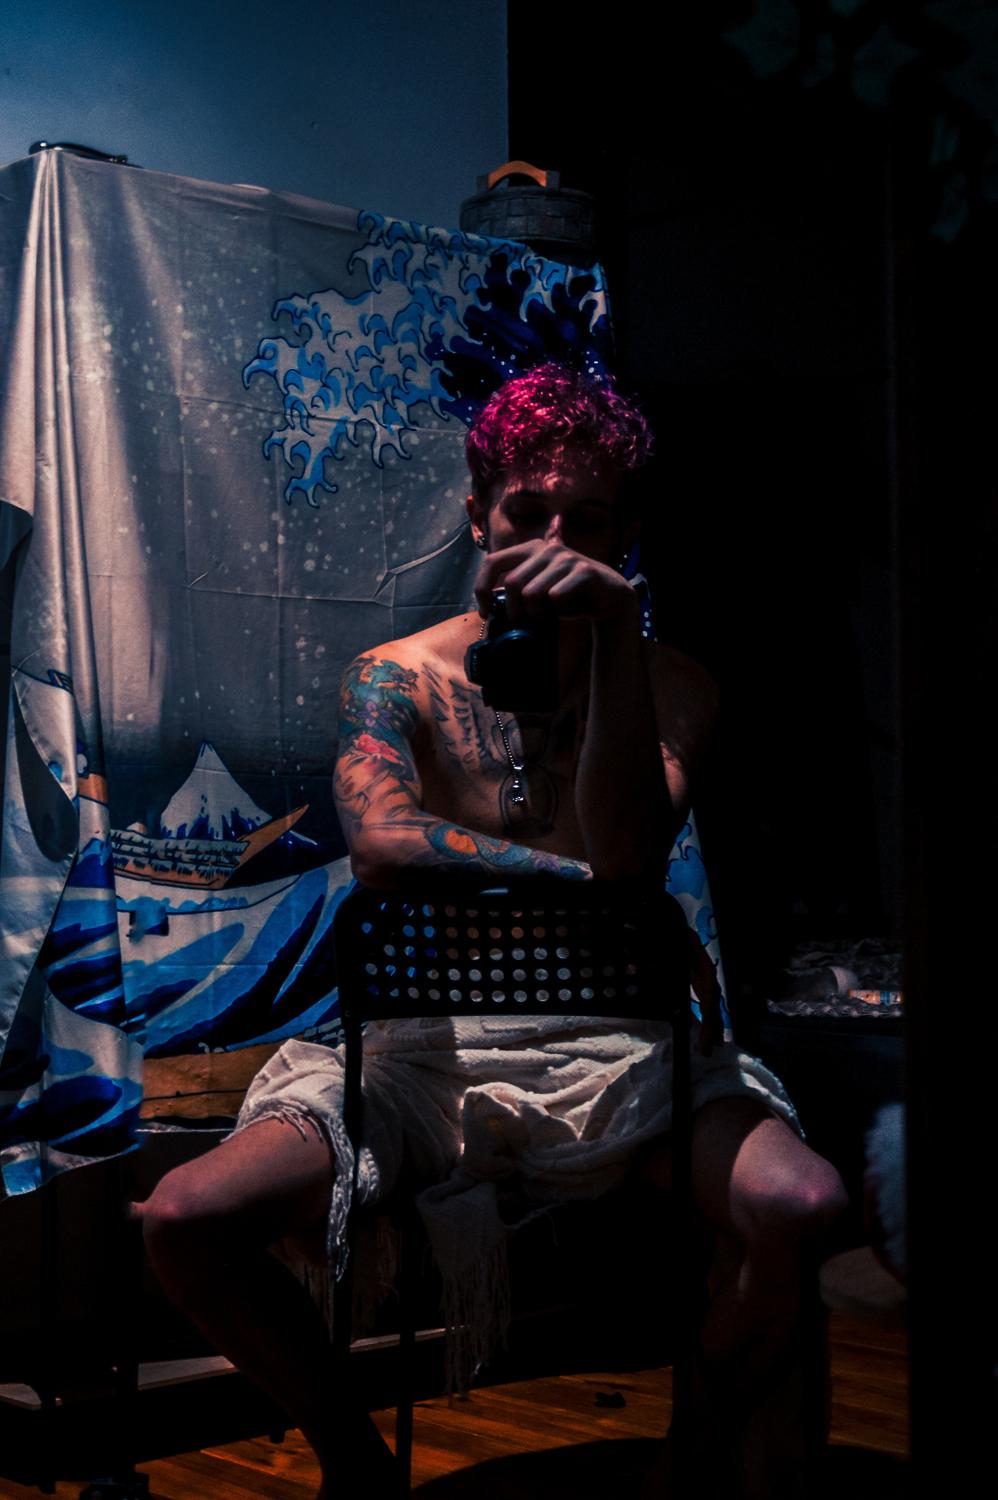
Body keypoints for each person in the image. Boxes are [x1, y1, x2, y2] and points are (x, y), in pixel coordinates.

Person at [134, 365, 846, 1497]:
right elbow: (382, 843)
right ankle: (354, 1463)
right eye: (527, 511)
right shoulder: (395, 678)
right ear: (478, 514)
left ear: (626, 539)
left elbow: (628, 849)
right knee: (183, 1218)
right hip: (426, 1056)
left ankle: (692, 1458)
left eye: (588, 521)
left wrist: (608, 636)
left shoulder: (673, 684)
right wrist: (584, 884)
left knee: (801, 1205)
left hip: (623, 1052)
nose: (553, 543)